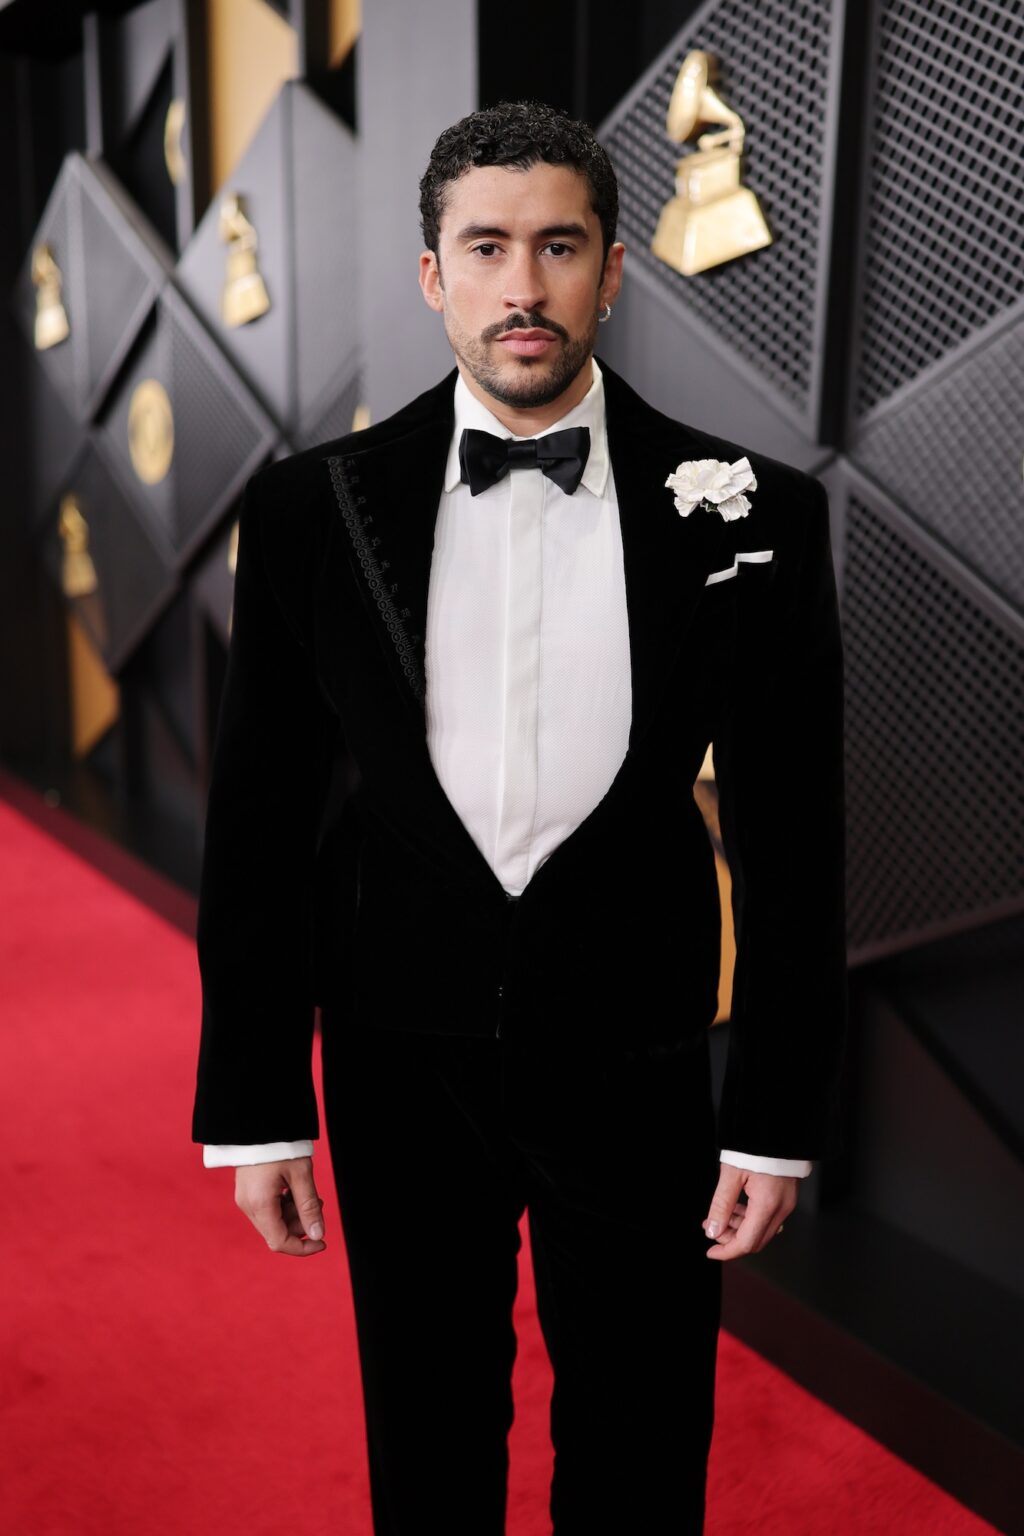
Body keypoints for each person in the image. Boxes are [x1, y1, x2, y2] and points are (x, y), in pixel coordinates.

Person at [192, 100, 847, 1535]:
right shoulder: (312, 511)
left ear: (613, 270)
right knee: (424, 1434)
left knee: (643, 1436)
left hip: (641, 1051)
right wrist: (251, 1103)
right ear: (433, 273)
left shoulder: (754, 519)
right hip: (395, 1049)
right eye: (485, 248)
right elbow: (259, 825)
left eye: (559, 247)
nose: (523, 286)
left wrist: (778, 1116)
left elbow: (799, 847)